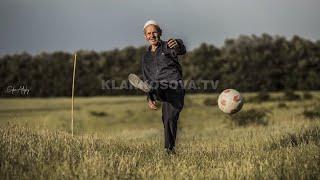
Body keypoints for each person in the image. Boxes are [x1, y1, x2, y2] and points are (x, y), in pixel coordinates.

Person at [129, 20, 186, 154]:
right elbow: (146, 76)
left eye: (154, 32)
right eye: (149, 33)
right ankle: (151, 90)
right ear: (145, 37)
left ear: (160, 33)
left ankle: (169, 149)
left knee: (169, 118)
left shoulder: (168, 46)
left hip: (175, 88)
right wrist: (149, 97)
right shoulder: (146, 57)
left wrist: (177, 42)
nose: (152, 35)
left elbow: (181, 49)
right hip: (158, 87)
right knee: (153, 85)